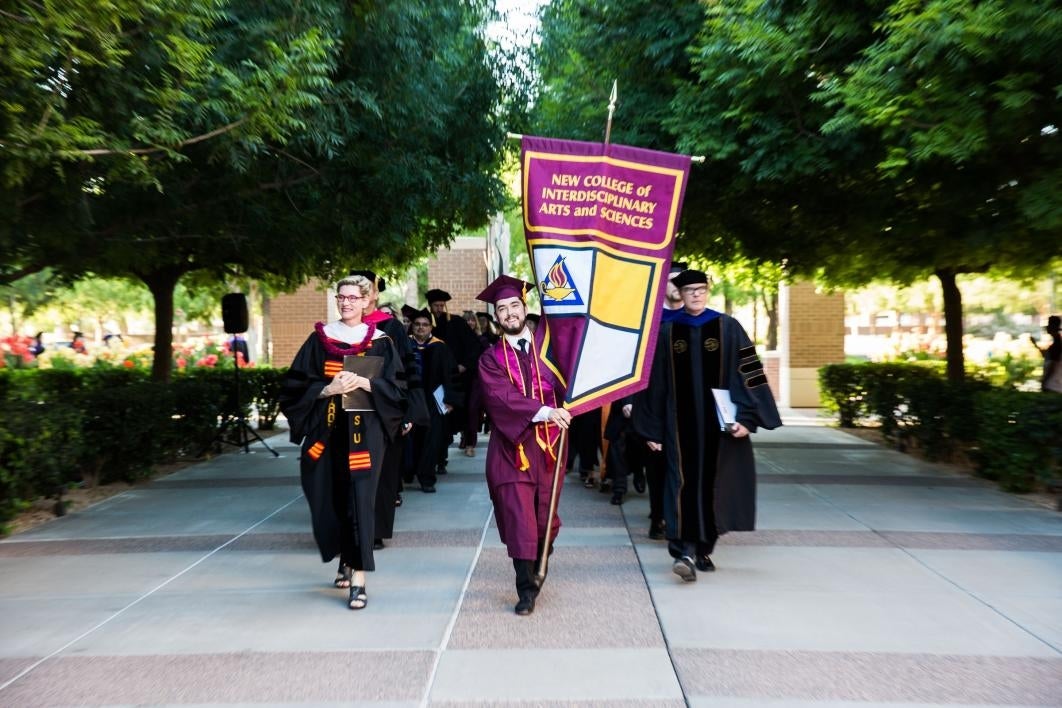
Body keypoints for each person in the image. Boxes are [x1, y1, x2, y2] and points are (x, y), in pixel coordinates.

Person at [634, 269, 781, 582]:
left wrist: (747, 418)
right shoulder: (666, 332)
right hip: (677, 428)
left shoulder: (728, 327)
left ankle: (703, 548)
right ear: (681, 294)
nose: (696, 295)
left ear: (708, 291)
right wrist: (652, 429)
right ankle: (684, 550)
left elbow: (750, 373)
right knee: (681, 483)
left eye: (701, 289)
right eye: (690, 291)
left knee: (713, 485)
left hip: (719, 428)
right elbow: (652, 384)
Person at [278, 275, 407, 610]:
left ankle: (359, 578)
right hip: (329, 431)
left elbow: (398, 391)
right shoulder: (319, 341)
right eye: (342, 297)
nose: (347, 302)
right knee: (334, 497)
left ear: (367, 302)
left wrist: (366, 382)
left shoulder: (381, 342)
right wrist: (326, 390)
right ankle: (345, 559)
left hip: (367, 435)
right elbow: (293, 389)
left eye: (353, 297)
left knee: (361, 498)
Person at [476, 275, 571, 615]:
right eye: (502, 309)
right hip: (512, 448)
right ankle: (526, 588)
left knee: (546, 517)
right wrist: (546, 410)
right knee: (519, 517)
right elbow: (502, 398)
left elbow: (573, 382)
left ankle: (539, 562)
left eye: (514, 305)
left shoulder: (553, 349)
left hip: (551, 446)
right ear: (497, 317)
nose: (509, 313)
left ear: (524, 308)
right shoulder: (490, 359)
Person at [350, 270, 429, 546]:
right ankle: (353, 527)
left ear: (374, 293)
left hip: (385, 411)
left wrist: (407, 412)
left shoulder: (391, 327)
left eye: (364, 288)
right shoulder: (341, 328)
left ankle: (374, 531)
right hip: (351, 410)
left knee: (383, 473)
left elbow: (405, 370)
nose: (358, 294)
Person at [406, 309, 462, 492]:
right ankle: (408, 471)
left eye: (425, 324)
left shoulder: (440, 347)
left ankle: (427, 479)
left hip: (433, 401)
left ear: (431, 327)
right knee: (410, 438)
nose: (421, 328)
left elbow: (451, 375)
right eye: (417, 324)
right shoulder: (405, 345)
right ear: (412, 326)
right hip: (410, 399)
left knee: (431, 439)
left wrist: (450, 399)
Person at [426, 288, 483, 462]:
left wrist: (465, 365)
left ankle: (468, 443)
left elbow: (474, 346)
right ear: (430, 306)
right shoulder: (426, 324)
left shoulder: (456, 322)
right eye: (436, 305)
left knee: (467, 410)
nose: (439, 309)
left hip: (459, 378)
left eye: (442, 305)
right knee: (441, 417)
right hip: (435, 380)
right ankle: (440, 454)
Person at [1030, 315, 1062, 393]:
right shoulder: (1056, 344)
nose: (1047, 328)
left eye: (1049, 325)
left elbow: (1053, 364)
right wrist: (1035, 345)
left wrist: (1044, 381)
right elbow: (1048, 357)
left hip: (1053, 386)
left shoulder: (1057, 345)